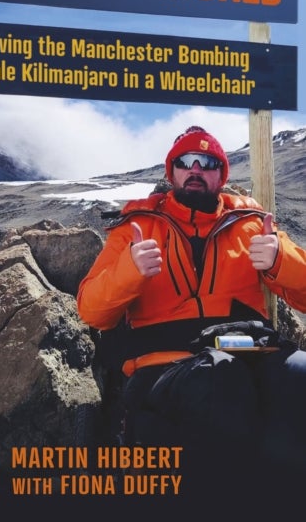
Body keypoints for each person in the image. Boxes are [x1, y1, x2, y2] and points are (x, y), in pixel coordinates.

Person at [77, 125, 306, 507]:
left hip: (252, 353)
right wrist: (130, 271)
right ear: (172, 172)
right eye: (186, 161)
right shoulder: (137, 226)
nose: (196, 168)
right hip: (168, 367)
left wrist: (281, 261)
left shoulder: (252, 224)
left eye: (208, 162)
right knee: (220, 380)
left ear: (221, 174)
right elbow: (92, 312)